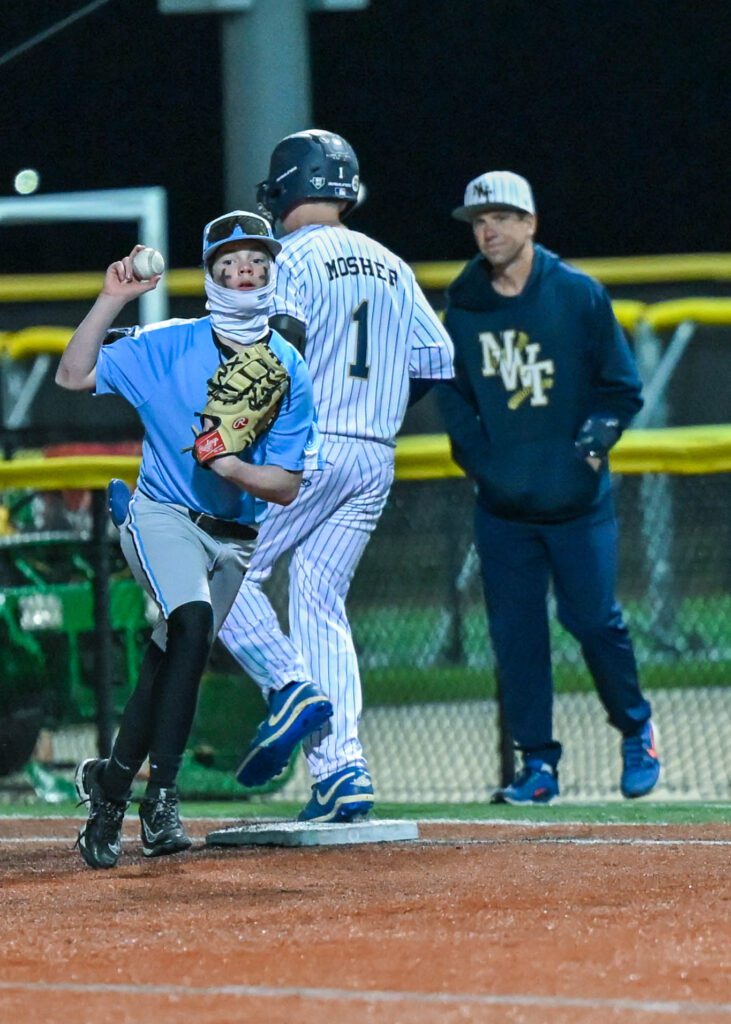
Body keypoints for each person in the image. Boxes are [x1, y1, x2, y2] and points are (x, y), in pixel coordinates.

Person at [56, 211, 330, 868]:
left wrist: (231, 467)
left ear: (271, 271)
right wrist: (111, 299)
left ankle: (112, 786)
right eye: (229, 261)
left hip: (235, 536)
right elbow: (73, 375)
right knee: (193, 621)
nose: (245, 269)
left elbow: (286, 486)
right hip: (163, 514)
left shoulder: (288, 366)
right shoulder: (167, 344)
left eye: (257, 260)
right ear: (210, 275)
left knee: (171, 656)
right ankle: (162, 796)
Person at [219, 129, 455, 822]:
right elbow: (435, 360)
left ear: (285, 188)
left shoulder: (289, 256)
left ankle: (289, 686)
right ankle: (341, 769)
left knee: (215, 567)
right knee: (319, 599)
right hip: (373, 455)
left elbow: (281, 348)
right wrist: (370, 406)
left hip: (309, 449)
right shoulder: (392, 263)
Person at [436, 170, 661, 804]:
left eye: (502, 218)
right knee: (517, 638)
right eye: (480, 221)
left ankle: (636, 730)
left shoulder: (578, 295)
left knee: (594, 622)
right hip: (503, 509)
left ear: (531, 223)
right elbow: (452, 397)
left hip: (576, 504)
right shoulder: (463, 307)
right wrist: (484, 464)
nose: (489, 231)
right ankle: (537, 765)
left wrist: (589, 450)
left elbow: (622, 388)